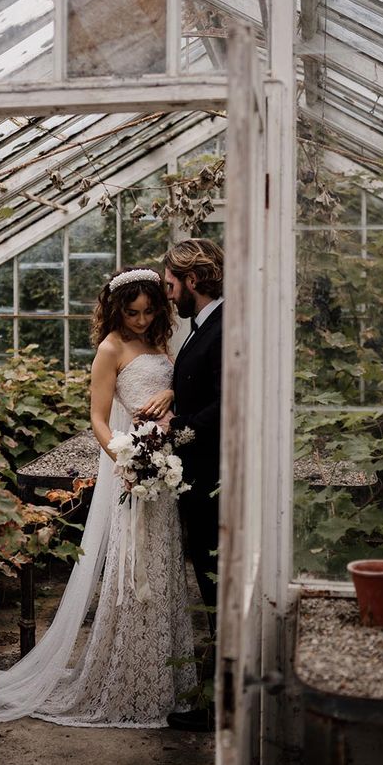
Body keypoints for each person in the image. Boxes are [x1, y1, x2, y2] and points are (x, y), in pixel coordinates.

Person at [0, 267, 197, 727]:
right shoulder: (111, 348)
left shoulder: (161, 345)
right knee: (134, 570)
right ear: (116, 309)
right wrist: (124, 459)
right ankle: (126, 681)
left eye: (149, 312)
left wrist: (168, 392)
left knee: (163, 570)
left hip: (164, 475)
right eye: (132, 313)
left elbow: (176, 393)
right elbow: (98, 417)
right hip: (133, 473)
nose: (141, 320)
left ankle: (167, 684)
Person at [162, 239, 224, 732]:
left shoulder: (222, 329)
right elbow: (196, 383)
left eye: (171, 285)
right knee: (207, 580)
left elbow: (224, 406)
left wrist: (174, 431)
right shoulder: (201, 328)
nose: (169, 295)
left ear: (193, 282)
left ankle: (221, 703)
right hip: (199, 475)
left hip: (214, 476)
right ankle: (218, 695)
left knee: (215, 582)